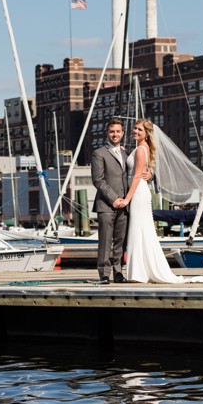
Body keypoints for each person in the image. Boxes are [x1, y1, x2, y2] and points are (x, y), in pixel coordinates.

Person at [123, 118, 203, 284]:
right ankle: (141, 272)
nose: (136, 132)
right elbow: (146, 170)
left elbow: (138, 175)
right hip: (142, 191)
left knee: (138, 229)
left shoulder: (140, 150)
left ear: (147, 134)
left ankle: (138, 274)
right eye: (135, 128)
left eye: (140, 130)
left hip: (138, 192)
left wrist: (126, 199)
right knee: (143, 230)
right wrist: (150, 173)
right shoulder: (143, 148)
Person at [91, 118, 131, 284]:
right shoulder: (99, 153)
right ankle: (104, 274)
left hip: (124, 205)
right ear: (107, 133)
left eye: (118, 131)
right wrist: (114, 199)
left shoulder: (125, 153)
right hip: (106, 204)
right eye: (112, 131)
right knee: (106, 241)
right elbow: (98, 180)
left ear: (122, 133)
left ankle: (118, 272)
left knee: (120, 241)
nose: (115, 134)